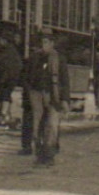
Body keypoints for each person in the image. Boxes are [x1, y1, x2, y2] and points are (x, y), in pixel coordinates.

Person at [23, 31, 64, 166]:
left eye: (46, 42)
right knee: (37, 126)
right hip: (36, 95)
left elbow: (65, 81)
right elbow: (27, 77)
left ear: (52, 44)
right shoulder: (34, 58)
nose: (43, 45)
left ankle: (49, 155)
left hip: (53, 95)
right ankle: (40, 155)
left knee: (51, 125)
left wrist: (65, 99)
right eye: (41, 42)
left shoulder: (59, 59)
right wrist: (29, 94)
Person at [0, 28, 23, 128]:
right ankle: (6, 117)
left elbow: (0, 60)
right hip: (9, 77)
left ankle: (3, 118)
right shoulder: (10, 49)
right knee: (4, 96)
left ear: (5, 40)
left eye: (1, 40)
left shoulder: (8, 50)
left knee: (4, 96)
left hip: (8, 77)